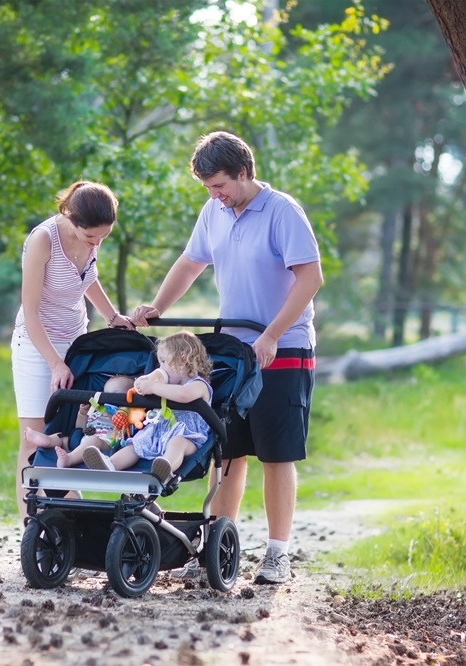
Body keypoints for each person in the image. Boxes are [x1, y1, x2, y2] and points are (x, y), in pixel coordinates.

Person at [130, 131, 323, 585]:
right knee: (227, 453)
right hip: (233, 353)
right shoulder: (214, 211)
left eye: (219, 185)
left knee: (276, 454)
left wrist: (273, 334)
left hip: (283, 347)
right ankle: (217, 550)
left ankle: (277, 554)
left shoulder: (282, 212)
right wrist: (159, 306)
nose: (214, 195)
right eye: (207, 188)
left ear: (243, 172)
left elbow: (311, 278)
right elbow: (190, 262)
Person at [12, 180, 134, 519]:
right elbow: (31, 312)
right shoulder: (44, 240)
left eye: (103, 237)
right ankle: (34, 526)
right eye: (90, 236)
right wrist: (55, 364)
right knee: (36, 437)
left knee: (69, 433)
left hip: (76, 341)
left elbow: (87, 278)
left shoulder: (92, 236)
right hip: (37, 345)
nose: (96, 243)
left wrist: (112, 316)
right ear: (70, 216)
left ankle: (70, 523)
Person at [76, 331, 213, 484]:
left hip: (189, 436)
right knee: (136, 443)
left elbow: (183, 395)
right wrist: (147, 381)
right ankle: (110, 464)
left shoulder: (198, 384)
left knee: (177, 443)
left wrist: (154, 387)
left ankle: (165, 469)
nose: (160, 367)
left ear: (182, 359)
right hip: (158, 432)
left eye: (163, 362)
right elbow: (142, 388)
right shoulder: (165, 385)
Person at [23, 374, 135, 458]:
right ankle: (47, 440)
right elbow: (81, 428)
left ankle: (70, 458)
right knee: (62, 438)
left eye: (115, 395)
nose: (109, 399)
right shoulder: (97, 411)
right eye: (106, 394)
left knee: (93, 440)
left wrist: (112, 414)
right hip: (83, 439)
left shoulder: (127, 414)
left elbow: (123, 430)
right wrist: (82, 414)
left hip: (106, 443)